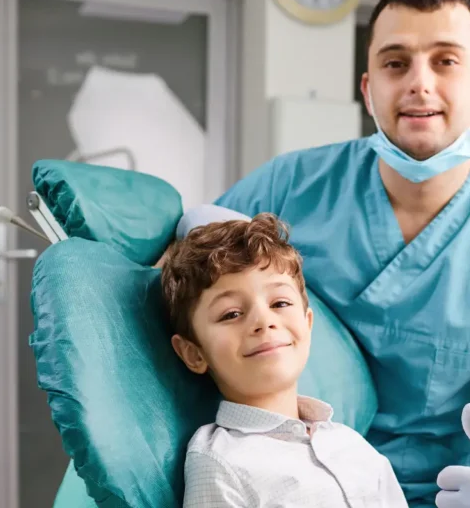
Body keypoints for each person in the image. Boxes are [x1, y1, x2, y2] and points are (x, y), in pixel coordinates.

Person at [173, 0, 470, 506]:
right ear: (368, 88)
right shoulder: (289, 187)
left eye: (446, 60)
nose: (419, 83)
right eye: (395, 62)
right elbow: (185, 288)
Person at [160, 213, 410, 508]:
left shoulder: (351, 444)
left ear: (307, 324)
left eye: (280, 303)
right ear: (194, 353)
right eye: (231, 314)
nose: (264, 322)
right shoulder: (220, 461)